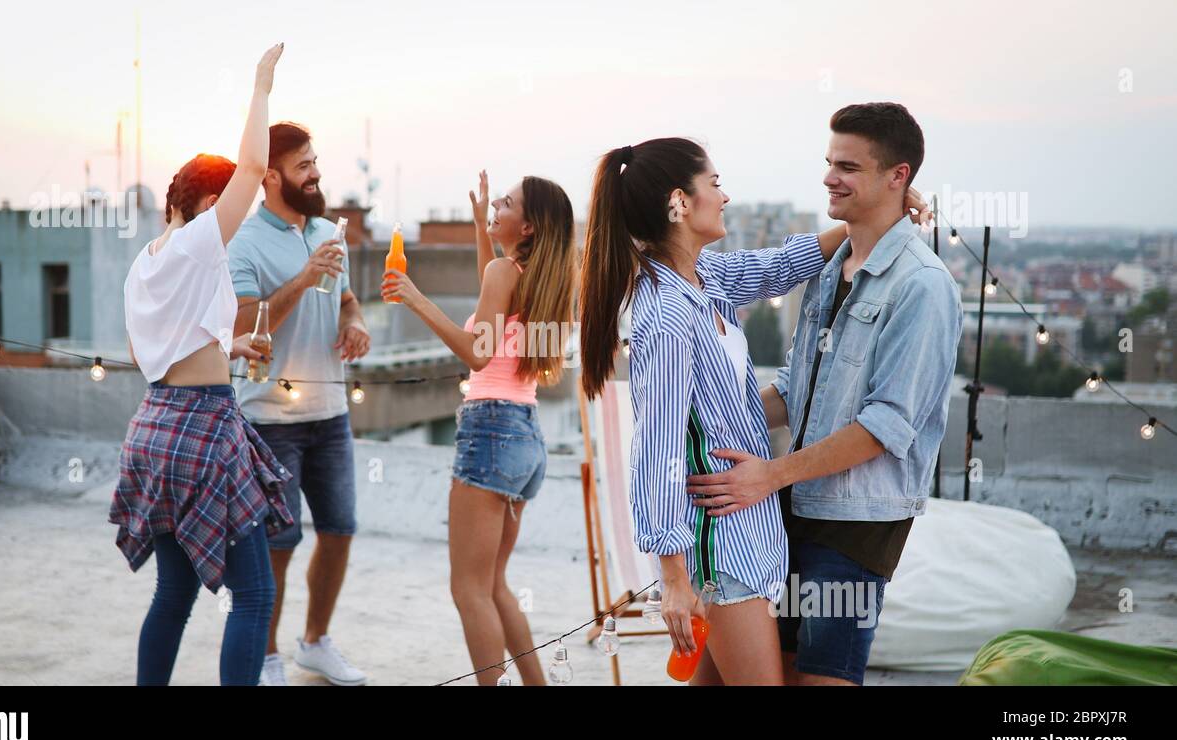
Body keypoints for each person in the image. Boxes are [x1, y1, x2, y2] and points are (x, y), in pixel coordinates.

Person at [579, 138, 878, 684]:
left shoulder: (705, 280)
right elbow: (656, 449)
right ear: (680, 203)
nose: (725, 195)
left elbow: (781, 265)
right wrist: (673, 576)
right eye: (714, 184)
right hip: (717, 550)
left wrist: (873, 214)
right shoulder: (666, 316)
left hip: (750, 533)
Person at [685, 103, 962, 686]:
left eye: (849, 167)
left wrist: (771, 473)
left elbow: (887, 426)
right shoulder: (829, 266)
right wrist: (712, 421)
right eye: (829, 162)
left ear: (898, 176)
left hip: (857, 521)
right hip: (793, 507)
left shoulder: (923, 287)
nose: (830, 177)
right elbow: (798, 384)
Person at [109, 44, 292, 686]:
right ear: (209, 204)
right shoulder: (200, 242)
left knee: (174, 595)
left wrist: (229, 348)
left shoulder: (148, 260)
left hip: (154, 429)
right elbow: (251, 164)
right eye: (230, 210)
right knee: (254, 596)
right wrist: (261, 85)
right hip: (202, 431)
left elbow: (147, 353)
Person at [380, 171, 576, 685]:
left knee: (468, 589)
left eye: (504, 204)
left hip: (491, 430)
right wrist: (477, 226)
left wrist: (415, 297)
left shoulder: (503, 272)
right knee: (493, 584)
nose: (496, 207)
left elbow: (478, 351)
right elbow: (493, 297)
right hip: (525, 436)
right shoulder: (536, 276)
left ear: (527, 226)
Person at [228, 122, 372, 686]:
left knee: (339, 530)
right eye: (303, 166)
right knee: (278, 545)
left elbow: (348, 298)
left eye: (315, 162)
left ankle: (314, 643)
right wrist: (301, 278)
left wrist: (354, 320)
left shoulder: (324, 232)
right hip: (269, 419)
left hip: (331, 416)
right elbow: (244, 325)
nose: (315, 175)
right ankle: (265, 657)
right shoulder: (243, 243)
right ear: (270, 176)